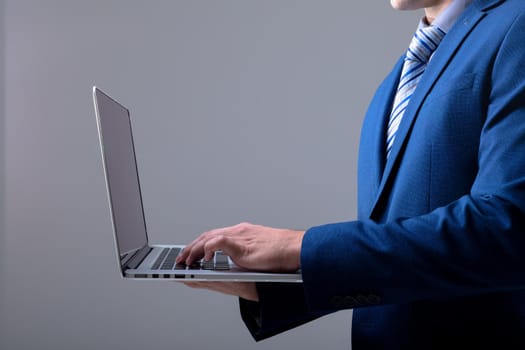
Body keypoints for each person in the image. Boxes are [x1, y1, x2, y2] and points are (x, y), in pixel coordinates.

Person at [176, 0, 525, 348]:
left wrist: (299, 248)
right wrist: (272, 284)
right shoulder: (404, 72)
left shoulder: (517, 24)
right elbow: (396, 248)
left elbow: (508, 227)